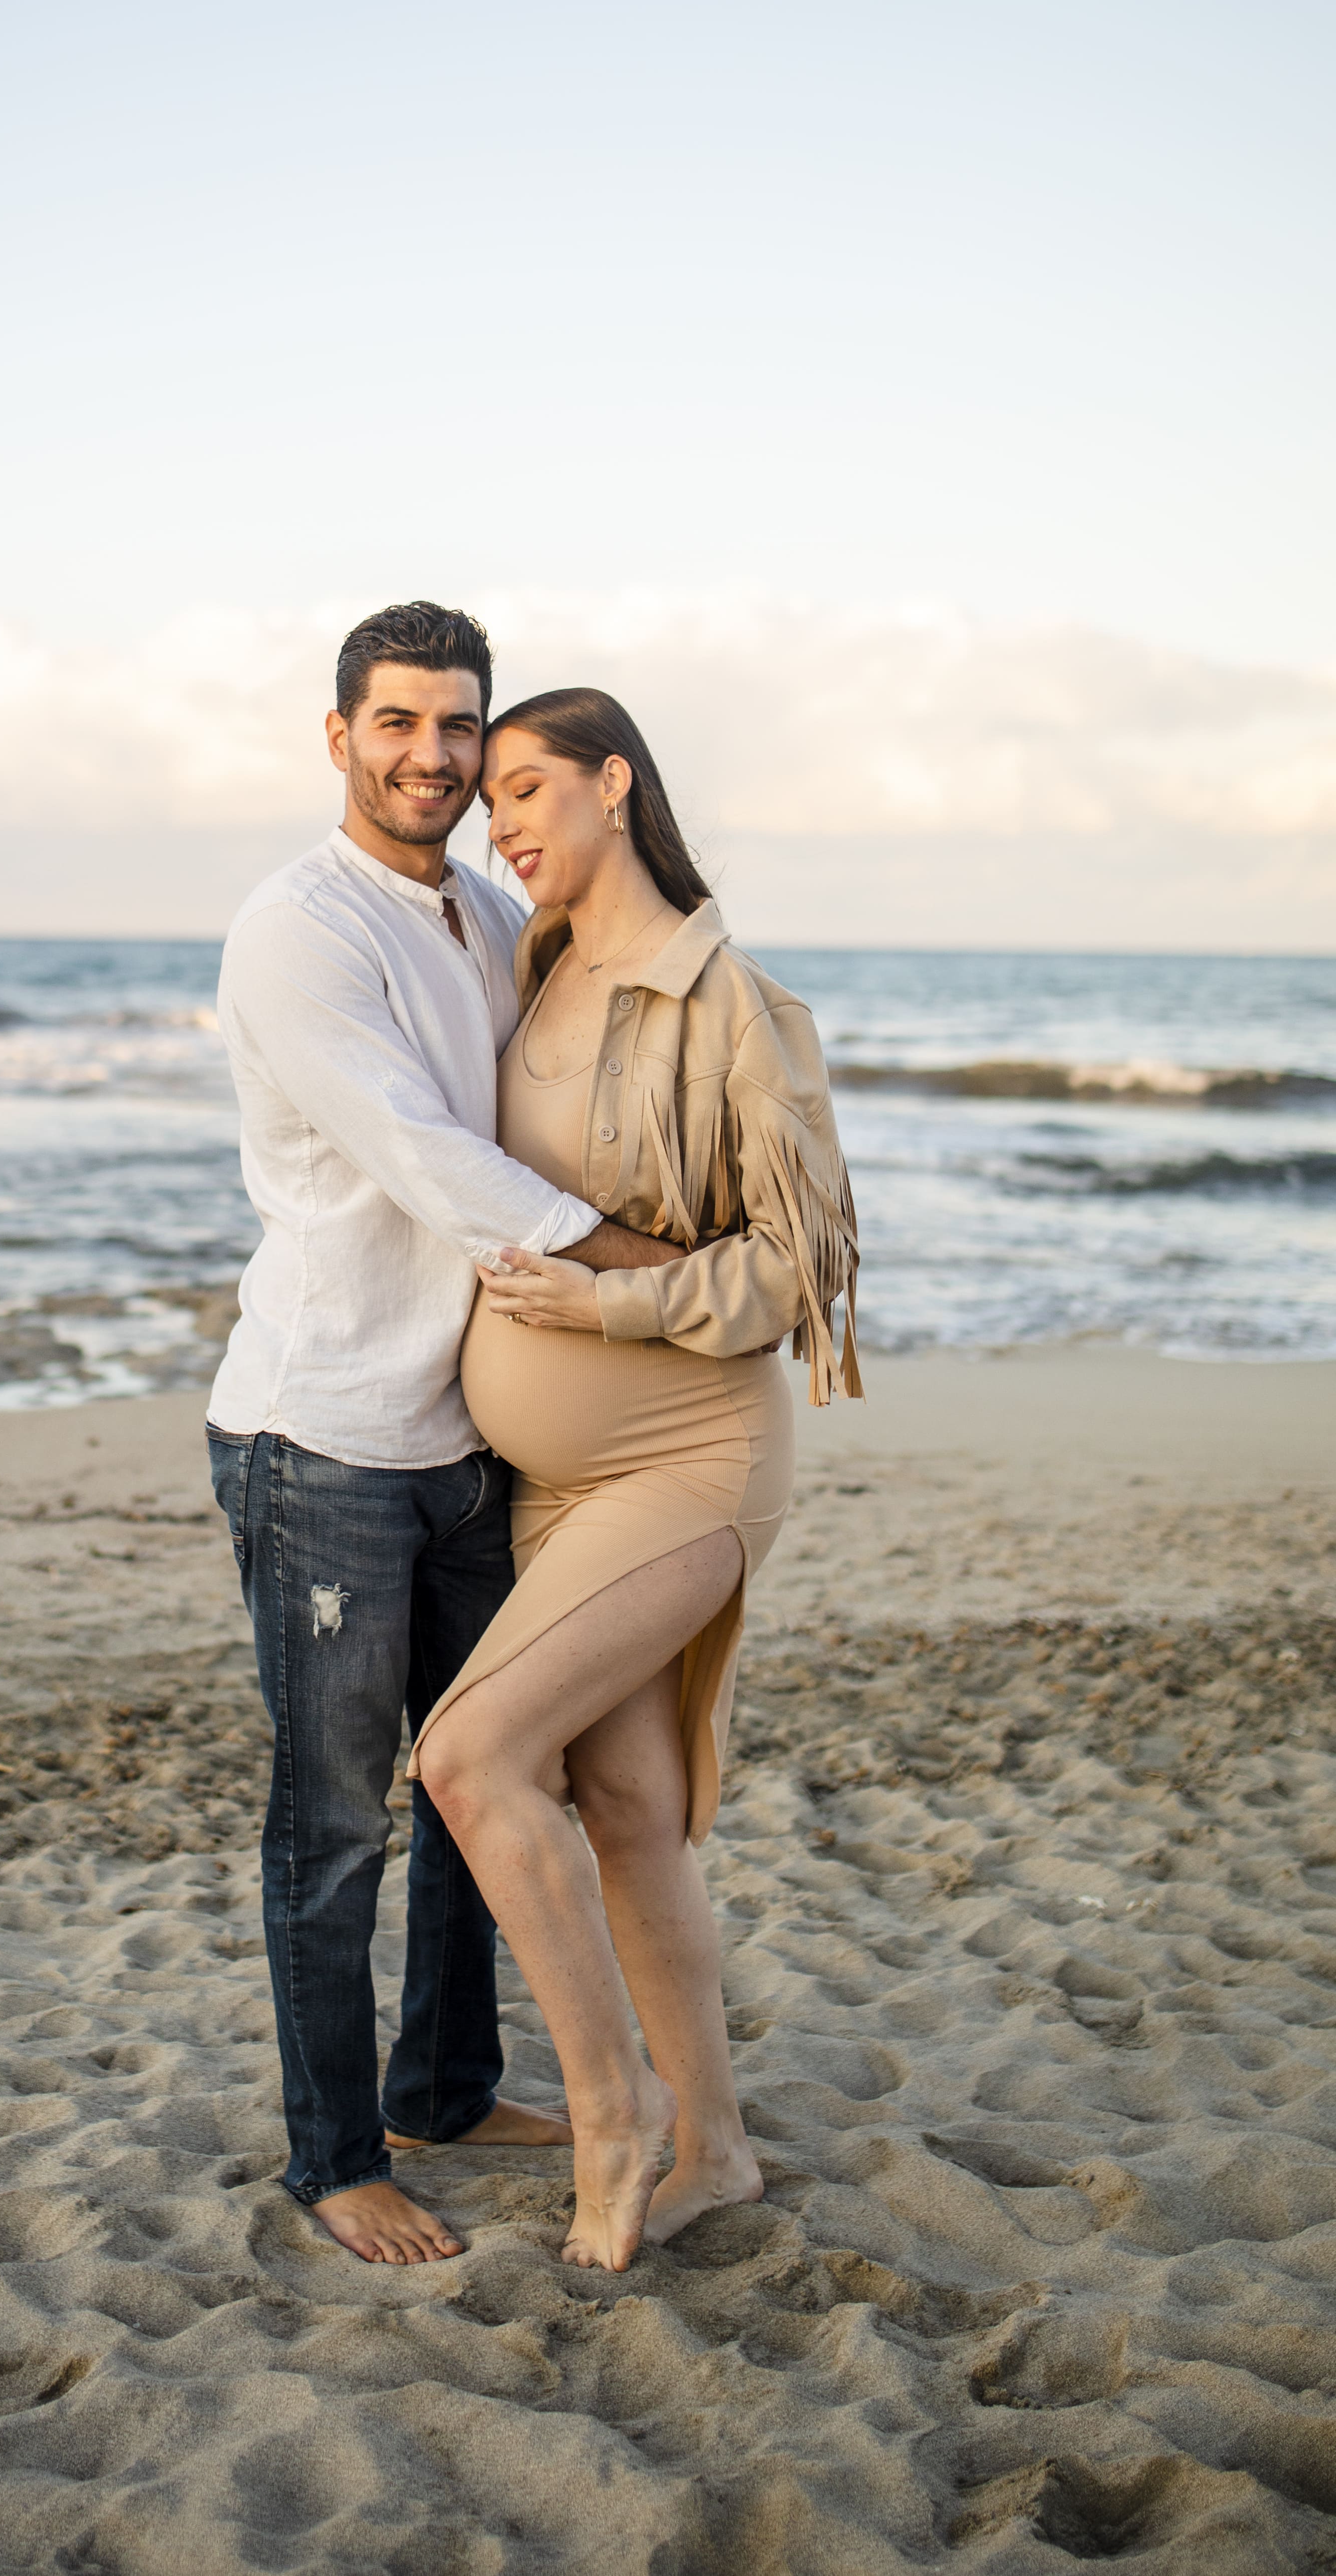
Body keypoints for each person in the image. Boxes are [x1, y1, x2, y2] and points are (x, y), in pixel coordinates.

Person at [206, 605, 690, 2267]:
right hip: (324, 1437)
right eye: (398, 721)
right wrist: (654, 1271)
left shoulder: (494, 911)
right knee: (338, 1822)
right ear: (337, 735)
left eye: (459, 725)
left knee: (497, 1781)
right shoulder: (296, 931)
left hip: (468, 1436)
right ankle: (338, 2159)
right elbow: (430, 1155)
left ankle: (448, 2083)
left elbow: (575, 1082)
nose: (433, 753)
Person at [409, 686, 861, 2273]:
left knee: (469, 1759)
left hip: (690, 1455)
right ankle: (716, 2150)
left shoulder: (736, 1006)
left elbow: (796, 1271)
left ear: (618, 783)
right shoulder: (531, 968)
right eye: (492, 805)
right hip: (553, 1489)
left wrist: (610, 1306)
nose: (505, 821)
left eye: (530, 787)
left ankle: (614, 2117)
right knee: (629, 1811)